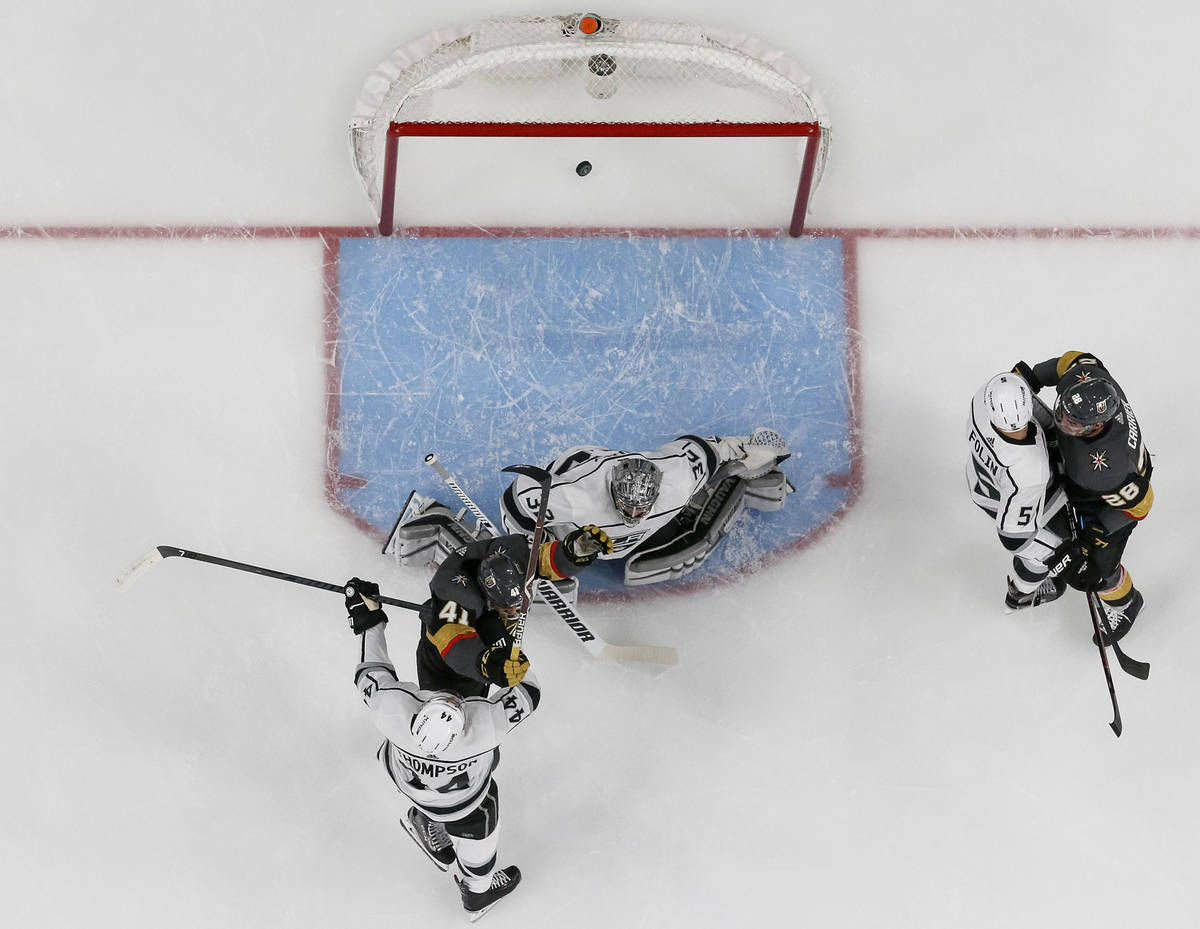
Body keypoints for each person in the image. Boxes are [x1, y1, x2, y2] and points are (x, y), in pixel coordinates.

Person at [345, 577, 538, 918]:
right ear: (464, 724)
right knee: (480, 835)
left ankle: (426, 820)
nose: (453, 697)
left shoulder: (392, 710)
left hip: (406, 778)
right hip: (463, 801)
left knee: (428, 790)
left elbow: (370, 669)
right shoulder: (482, 728)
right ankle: (477, 894)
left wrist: (369, 617)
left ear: (418, 713)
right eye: (456, 704)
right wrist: (499, 637)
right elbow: (529, 691)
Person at [497, 427, 793, 589]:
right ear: (614, 491)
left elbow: (718, 449)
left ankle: (740, 490)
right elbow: (516, 500)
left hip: (632, 532)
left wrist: (759, 451)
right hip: (574, 518)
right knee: (564, 564)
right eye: (628, 507)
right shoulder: (578, 499)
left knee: (661, 557)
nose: (633, 516)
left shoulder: (677, 477)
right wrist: (532, 552)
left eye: (641, 509)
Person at [1012, 351, 1153, 643]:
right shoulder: (1085, 379)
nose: (1063, 422)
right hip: (1078, 471)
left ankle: (1126, 602)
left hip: (1105, 499)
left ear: (1098, 425)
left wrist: (1095, 537)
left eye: (1074, 425)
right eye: (1062, 412)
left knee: (1098, 569)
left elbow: (1142, 504)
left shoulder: (1111, 469)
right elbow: (1071, 359)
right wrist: (1032, 377)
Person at [414, 528, 611, 696]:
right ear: (487, 597)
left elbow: (541, 561)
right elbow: (455, 644)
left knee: (498, 660)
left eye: (517, 606)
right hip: (442, 664)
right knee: (444, 717)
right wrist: (488, 665)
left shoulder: (514, 560)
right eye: (506, 609)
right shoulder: (455, 594)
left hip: (483, 633)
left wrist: (571, 553)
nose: (514, 612)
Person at [966, 371, 1070, 611]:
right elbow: (1014, 538)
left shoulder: (983, 397)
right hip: (1004, 499)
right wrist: (1060, 554)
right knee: (1044, 553)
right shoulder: (1030, 472)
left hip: (979, 480)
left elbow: (1030, 404)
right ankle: (1020, 595)